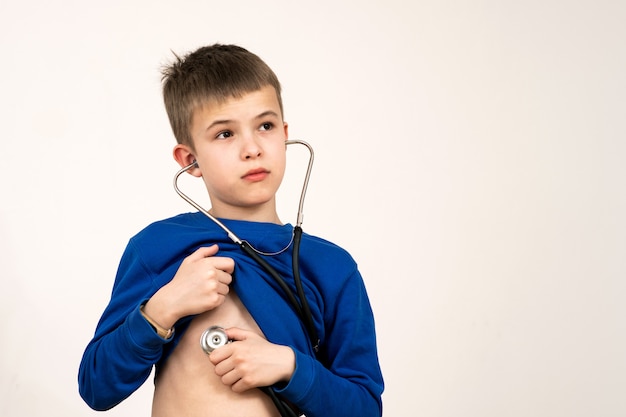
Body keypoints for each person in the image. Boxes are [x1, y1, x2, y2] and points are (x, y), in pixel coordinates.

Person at [78, 44, 384, 417]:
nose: (252, 148)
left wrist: (290, 366)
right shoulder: (157, 248)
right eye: (225, 134)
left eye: (265, 126)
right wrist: (162, 309)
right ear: (190, 160)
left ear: (285, 134)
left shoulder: (331, 267)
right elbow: (97, 386)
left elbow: (364, 408)